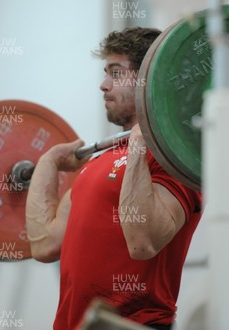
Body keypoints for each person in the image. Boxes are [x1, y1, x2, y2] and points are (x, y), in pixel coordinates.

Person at [25, 27, 203, 330]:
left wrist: (139, 145)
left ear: (151, 79)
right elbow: (45, 245)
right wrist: (48, 162)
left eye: (116, 73)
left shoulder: (177, 159)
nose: (103, 85)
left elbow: (143, 242)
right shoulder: (98, 162)